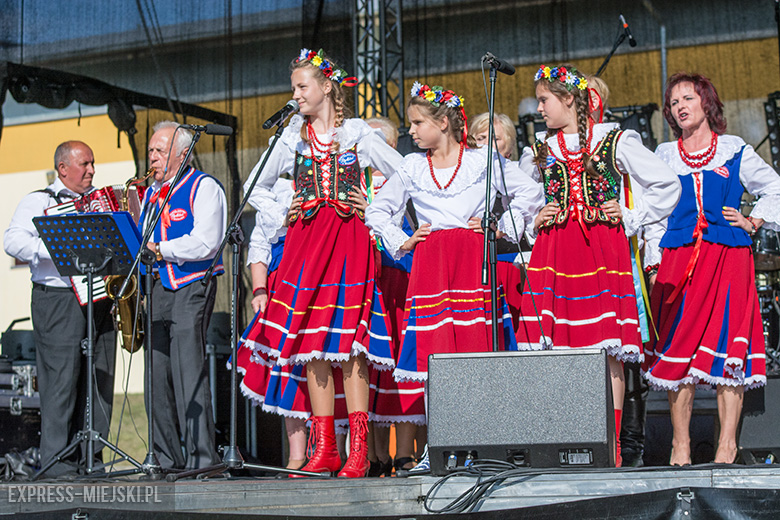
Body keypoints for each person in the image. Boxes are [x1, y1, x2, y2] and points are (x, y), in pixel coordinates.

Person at [238, 49, 403, 478]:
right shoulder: (291, 136)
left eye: (301, 86)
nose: (295, 94)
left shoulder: (357, 133)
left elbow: (405, 174)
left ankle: (358, 448)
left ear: (327, 86)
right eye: (293, 87)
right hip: (306, 242)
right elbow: (254, 184)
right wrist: (283, 213)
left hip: (348, 240)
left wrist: (375, 208)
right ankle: (325, 444)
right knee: (313, 343)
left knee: (351, 346)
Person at [365, 82, 544, 472]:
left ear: (443, 122)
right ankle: (441, 446)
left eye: (417, 122)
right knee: (435, 356)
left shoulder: (482, 162)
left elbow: (530, 194)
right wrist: (405, 239)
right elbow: (378, 212)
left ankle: (483, 443)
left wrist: (497, 226)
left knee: (476, 349)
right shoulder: (413, 166)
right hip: (431, 265)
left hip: (471, 261)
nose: (411, 130)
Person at [514, 65, 681, 466]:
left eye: (544, 100)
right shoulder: (539, 147)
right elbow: (519, 199)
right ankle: (564, 441)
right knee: (554, 346)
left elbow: (667, 184)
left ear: (569, 99)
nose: (539, 109)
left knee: (606, 347)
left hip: (600, 248)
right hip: (554, 249)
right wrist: (532, 219)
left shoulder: (614, 140)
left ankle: (610, 444)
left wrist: (629, 213)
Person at [642, 73, 778, 465]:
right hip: (679, 261)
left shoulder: (734, 149)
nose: (680, 106)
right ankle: (680, 445)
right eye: (673, 102)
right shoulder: (665, 155)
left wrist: (753, 221)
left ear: (706, 103)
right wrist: (654, 261)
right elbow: (652, 211)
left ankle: (726, 446)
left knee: (727, 352)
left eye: (688, 98)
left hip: (728, 258)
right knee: (677, 348)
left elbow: (775, 188)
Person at [4, 141, 116, 478]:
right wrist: (60, 248)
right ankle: (57, 461)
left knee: (99, 379)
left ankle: (91, 458)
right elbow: (12, 240)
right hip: (57, 299)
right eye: (85, 164)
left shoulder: (100, 202)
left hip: (99, 298)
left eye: (93, 163)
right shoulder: (39, 201)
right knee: (61, 381)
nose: (92, 170)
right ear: (63, 168)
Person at [139, 121, 227, 470]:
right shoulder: (149, 193)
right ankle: (163, 458)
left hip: (191, 283)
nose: (153, 157)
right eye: (151, 151)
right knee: (155, 375)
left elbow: (208, 241)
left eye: (159, 151)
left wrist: (161, 249)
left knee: (188, 370)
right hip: (157, 288)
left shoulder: (204, 187)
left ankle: (202, 460)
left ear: (182, 153)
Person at [363, 116, 426, 476]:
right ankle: (373, 454)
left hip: (399, 278)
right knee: (370, 369)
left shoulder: (404, 177)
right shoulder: (349, 181)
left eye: (377, 142)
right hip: (365, 281)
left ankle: (405, 453)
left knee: (402, 366)